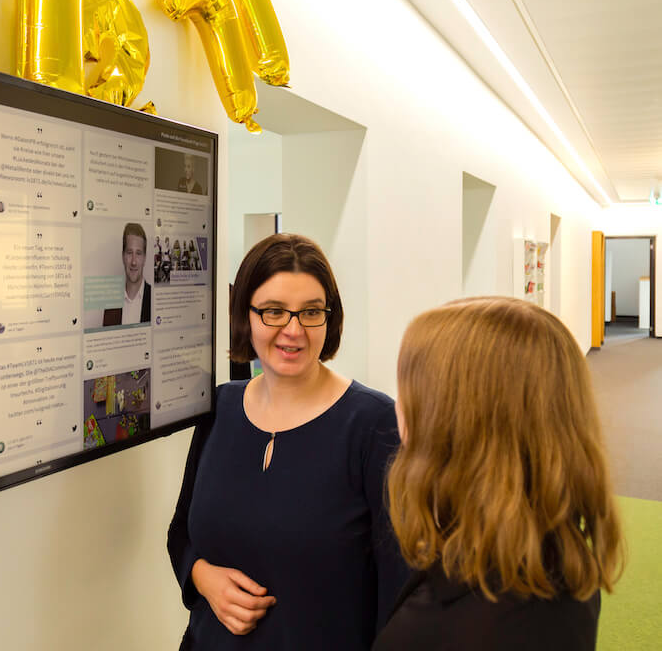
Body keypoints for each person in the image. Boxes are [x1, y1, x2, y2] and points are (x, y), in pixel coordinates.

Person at [168, 233, 409, 649]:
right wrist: (202, 576)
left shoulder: (374, 425)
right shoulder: (219, 407)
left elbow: (399, 589)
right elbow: (180, 534)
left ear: (329, 319)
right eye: (274, 311)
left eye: (311, 312)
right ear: (246, 315)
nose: (293, 331)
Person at [373, 297, 624, 651]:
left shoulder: (439, 627)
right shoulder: (559, 555)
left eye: (409, 393)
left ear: (454, 424)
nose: (397, 406)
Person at [102, 222, 152, 326]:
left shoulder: (155, 299)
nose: (133, 262)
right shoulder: (111, 302)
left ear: (144, 258)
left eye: (138, 253)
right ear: (123, 256)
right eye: (129, 252)